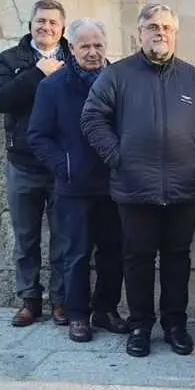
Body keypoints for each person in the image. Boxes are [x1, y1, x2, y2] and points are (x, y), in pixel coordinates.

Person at [81, 3, 195, 358]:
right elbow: (92, 117)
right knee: (137, 260)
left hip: (182, 186)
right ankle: (140, 325)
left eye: (166, 28)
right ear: (140, 33)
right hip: (135, 187)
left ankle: (175, 325)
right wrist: (118, 157)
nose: (160, 33)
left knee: (178, 259)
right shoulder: (117, 75)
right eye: (153, 27)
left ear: (175, 34)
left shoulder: (192, 78)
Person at [27, 18, 129, 343]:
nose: (93, 52)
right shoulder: (53, 86)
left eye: (98, 45)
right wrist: (65, 166)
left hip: (115, 183)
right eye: (85, 46)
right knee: (76, 255)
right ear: (71, 48)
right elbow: (38, 136)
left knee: (114, 253)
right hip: (74, 187)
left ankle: (106, 310)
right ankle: (78, 315)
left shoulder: (121, 81)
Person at [0, 0, 69, 328]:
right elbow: (0, 99)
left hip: (62, 164)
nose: (46, 27)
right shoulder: (11, 59)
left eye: (52, 22)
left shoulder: (74, 56)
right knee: (26, 238)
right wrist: (37, 74)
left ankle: (62, 300)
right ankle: (29, 300)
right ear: (31, 24)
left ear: (62, 28)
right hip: (22, 163)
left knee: (64, 238)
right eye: (41, 21)